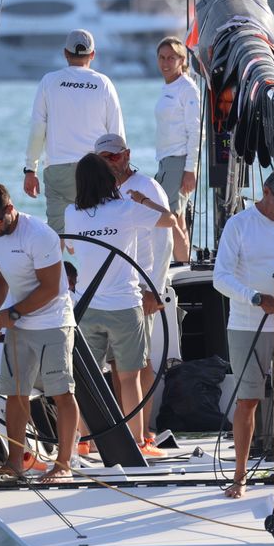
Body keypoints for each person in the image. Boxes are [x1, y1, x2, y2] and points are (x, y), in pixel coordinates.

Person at [64, 154, 177, 457]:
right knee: (129, 377)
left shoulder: (71, 213)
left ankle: (86, 441)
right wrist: (143, 200)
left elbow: (72, 246)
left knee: (87, 378)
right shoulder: (127, 209)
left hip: (87, 306)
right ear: (110, 181)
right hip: (125, 306)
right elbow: (169, 220)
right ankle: (138, 442)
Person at [213, 166, 274, 499]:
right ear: (266, 192)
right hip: (245, 324)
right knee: (248, 401)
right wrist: (255, 298)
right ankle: (239, 477)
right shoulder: (239, 225)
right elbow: (220, 277)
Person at [0, 183, 76, 483]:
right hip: (18, 325)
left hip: (53, 323)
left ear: (9, 209)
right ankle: (14, 463)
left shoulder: (40, 235)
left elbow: (50, 288)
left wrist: (11, 314)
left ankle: (64, 464)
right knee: (15, 395)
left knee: (61, 393)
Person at [95, 132, 178, 442]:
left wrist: (153, 289)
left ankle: (142, 434)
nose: (108, 163)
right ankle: (126, 430)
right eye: (101, 159)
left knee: (140, 363)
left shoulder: (146, 188)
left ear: (126, 155)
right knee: (120, 363)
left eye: (113, 156)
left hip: (142, 286)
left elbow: (165, 240)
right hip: (116, 289)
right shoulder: (103, 192)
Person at [24, 29, 125, 234]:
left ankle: (57, 266)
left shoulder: (48, 81)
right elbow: (116, 135)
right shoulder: (103, 83)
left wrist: (30, 169)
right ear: (93, 54)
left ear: (65, 53)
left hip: (58, 171)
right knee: (98, 232)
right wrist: (121, 173)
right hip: (95, 171)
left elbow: (37, 128)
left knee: (56, 236)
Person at [154, 36, 201, 260]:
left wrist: (190, 169)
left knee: (168, 216)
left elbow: (195, 132)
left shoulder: (187, 89)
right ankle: (183, 265)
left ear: (182, 60)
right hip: (166, 159)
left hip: (178, 159)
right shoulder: (168, 86)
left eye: (171, 58)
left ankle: (182, 264)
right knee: (178, 218)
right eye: (162, 57)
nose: (165, 62)